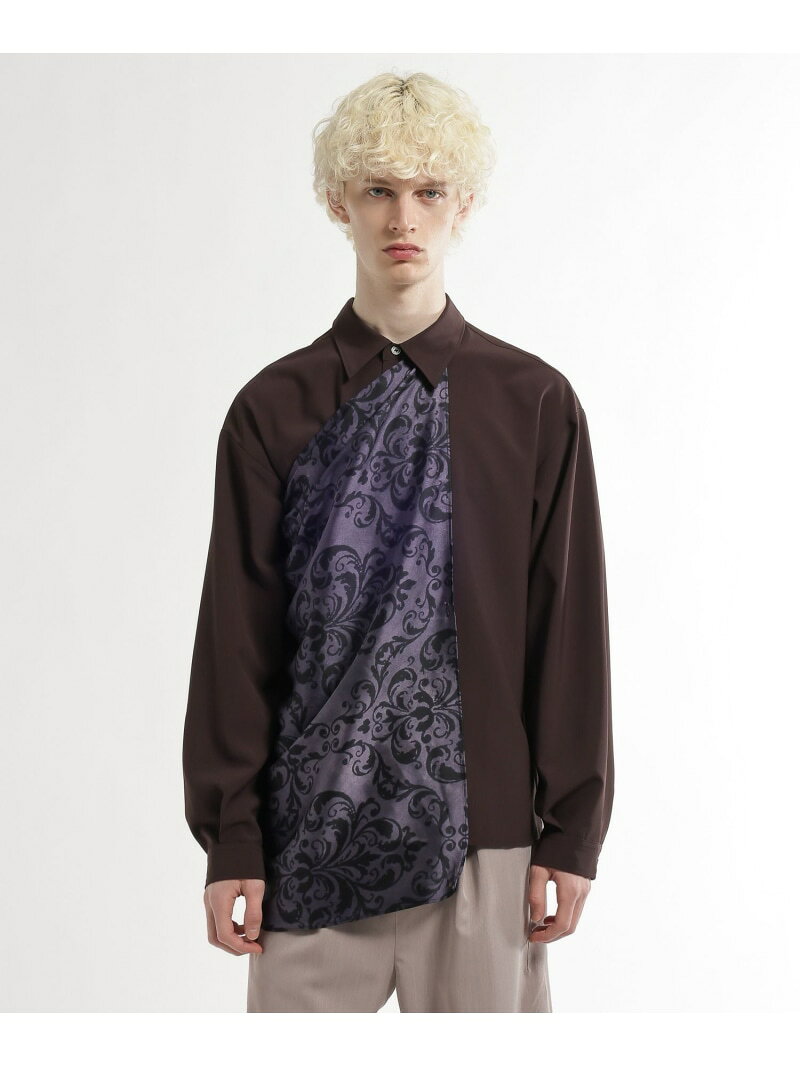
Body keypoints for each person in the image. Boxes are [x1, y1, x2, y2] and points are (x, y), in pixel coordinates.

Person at [182, 70, 614, 1013]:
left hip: (486, 848)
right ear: (337, 200)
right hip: (307, 841)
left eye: (429, 190)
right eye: (378, 189)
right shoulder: (271, 410)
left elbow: (567, 629)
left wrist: (573, 829)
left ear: (465, 202)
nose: (402, 217)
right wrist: (232, 838)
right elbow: (236, 639)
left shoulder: (534, 402)